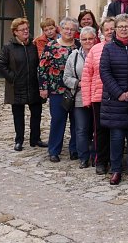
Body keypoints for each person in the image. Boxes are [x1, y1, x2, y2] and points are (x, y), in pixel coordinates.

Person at [100, 13, 128, 185]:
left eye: (127, 26)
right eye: (121, 27)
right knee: (116, 138)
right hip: (115, 100)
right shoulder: (108, 48)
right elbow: (105, 72)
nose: (124, 29)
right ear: (115, 30)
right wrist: (119, 93)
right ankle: (116, 170)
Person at [0, 17, 46, 151]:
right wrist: (13, 78)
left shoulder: (33, 45)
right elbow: (1, 65)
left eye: (27, 28)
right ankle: (19, 140)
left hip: (33, 85)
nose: (26, 31)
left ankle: (35, 139)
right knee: (18, 115)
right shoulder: (8, 47)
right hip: (16, 87)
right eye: (22, 29)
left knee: (36, 113)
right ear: (15, 32)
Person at [38, 17, 79, 162]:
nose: (69, 31)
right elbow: (42, 68)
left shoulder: (79, 45)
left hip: (76, 90)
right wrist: (43, 87)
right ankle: (54, 150)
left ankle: (75, 150)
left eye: (72, 29)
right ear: (60, 30)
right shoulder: (51, 46)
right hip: (56, 90)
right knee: (57, 120)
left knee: (77, 121)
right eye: (66, 28)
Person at [81, 17, 115, 175]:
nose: (110, 31)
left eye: (112, 28)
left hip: (117, 97)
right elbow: (87, 75)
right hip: (98, 96)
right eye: (106, 29)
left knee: (116, 131)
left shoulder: (122, 47)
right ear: (101, 32)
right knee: (100, 131)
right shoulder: (95, 50)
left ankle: (115, 159)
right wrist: (86, 99)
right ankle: (101, 160)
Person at [64, 26, 97, 168]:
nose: (88, 41)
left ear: (95, 39)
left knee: (98, 130)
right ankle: (83, 157)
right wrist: (78, 83)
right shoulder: (74, 56)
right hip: (79, 97)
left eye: (90, 38)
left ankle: (97, 156)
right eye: (84, 39)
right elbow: (66, 78)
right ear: (80, 40)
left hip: (97, 97)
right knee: (81, 129)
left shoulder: (101, 52)